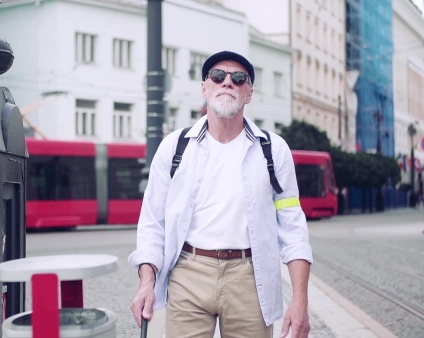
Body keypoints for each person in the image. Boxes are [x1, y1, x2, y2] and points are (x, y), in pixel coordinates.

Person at [128, 50, 312, 338]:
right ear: (205, 88)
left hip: (250, 278)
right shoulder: (174, 147)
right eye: (217, 76)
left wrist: (300, 302)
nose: (227, 82)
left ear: (249, 93)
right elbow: (152, 222)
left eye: (238, 78)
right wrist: (146, 283)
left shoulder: (273, 150)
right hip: (188, 273)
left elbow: (293, 227)